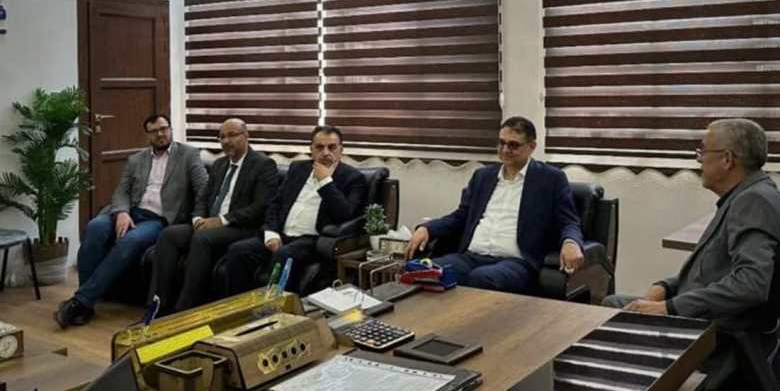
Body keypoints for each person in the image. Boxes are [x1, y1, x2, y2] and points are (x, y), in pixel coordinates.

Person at [603, 118, 780, 387]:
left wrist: (669, 308)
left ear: (727, 159)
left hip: (718, 333)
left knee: (611, 310)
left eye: (703, 151)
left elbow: (751, 284)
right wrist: (665, 287)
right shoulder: (747, 194)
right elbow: (712, 268)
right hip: (705, 316)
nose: (698, 160)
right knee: (616, 303)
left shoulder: (753, 200)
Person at [54, 114, 208, 328]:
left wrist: (198, 217)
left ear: (170, 129)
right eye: (154, 131)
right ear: (148, 135)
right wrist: (122, 212)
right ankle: (86, 305)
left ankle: (80, 302)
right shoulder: (137, 159)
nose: (160, 134)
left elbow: (203, 188)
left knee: (129, 241)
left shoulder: (188, 154)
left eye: (164, 129)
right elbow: (122, 191)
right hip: (132, 212)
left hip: (159, 219)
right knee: (94, 228)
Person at [405, 116, 585, 294]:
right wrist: (427, 228)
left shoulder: (550, 179)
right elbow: (461, 216)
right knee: (422, 272)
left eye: (513, 145)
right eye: (501, 143)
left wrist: (571, 242)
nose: (505, 150)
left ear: (532, 146)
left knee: (481, 278)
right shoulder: (483, 176)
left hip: (515, 262)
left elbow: (569, 221)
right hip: (471, 257)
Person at [149, 118, 279, 314]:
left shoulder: (263, 165)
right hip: (210, 224)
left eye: (232, 135)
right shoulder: (219, 164)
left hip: (241, 227)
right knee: (169, 235)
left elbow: (261, 207)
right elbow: (203, 197)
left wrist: (221, 220)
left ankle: (184, 311)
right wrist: (197, 218)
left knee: (203, 238)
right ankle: (157, 307)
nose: (226, 141)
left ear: (246, 136)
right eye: (222, 137)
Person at [224, 125, 367, 295]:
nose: (325, 152)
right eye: (319, 147)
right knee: (237, 250)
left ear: (341, 150)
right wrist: (271, 232)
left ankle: (274, 308)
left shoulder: (353, 178)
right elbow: (275, 203)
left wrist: (325, 182)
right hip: (281, 235)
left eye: (332, 147)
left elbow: (345, 214)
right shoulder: (298, 168)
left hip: (311, 239)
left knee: (284, 255)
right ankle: (239, 306)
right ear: (311, 149)